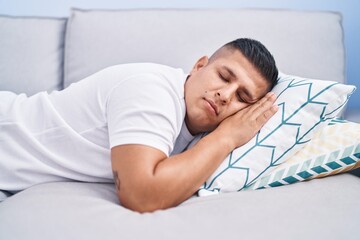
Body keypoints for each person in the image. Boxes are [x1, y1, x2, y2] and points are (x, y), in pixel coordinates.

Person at [0, 38, 278, 212]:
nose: (225, 95)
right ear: (199, 65)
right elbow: (141, 195)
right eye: (223, 76)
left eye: (242, 97)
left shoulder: (193, 125)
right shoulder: (151, 91)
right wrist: (227, 138)